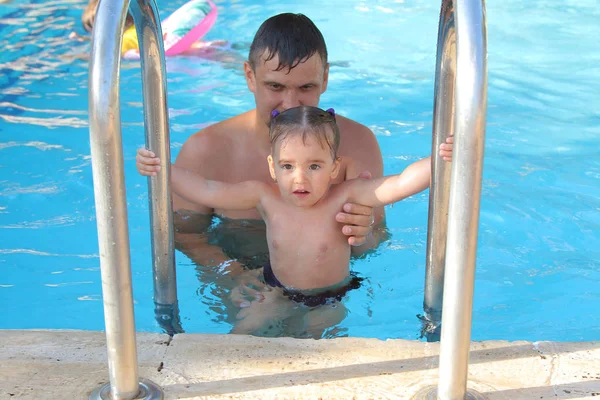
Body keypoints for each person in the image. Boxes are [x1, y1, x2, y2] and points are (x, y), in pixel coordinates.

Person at [137, 13, 454, 269]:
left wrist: (363, 233)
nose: (290, 104)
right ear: (250, 77)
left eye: (306, 87)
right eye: (275, 86)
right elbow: (185, 236)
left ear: (325, 79)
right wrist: (230, 275)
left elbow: (375, 240)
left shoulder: (357, 144)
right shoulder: (206, 151)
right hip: (241, 275)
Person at [137, 106, 452, 334]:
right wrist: (161, 168)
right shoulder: (263, 196)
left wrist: (442, 157)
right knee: (241, 337)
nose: (299, 178)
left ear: (333, 167)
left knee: (318, 351)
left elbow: (400, 183)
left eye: (314, 166)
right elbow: (206, 190)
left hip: (329, 299)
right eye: (288, 166)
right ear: (273, 168)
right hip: (276, 290)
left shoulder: (347, 194)